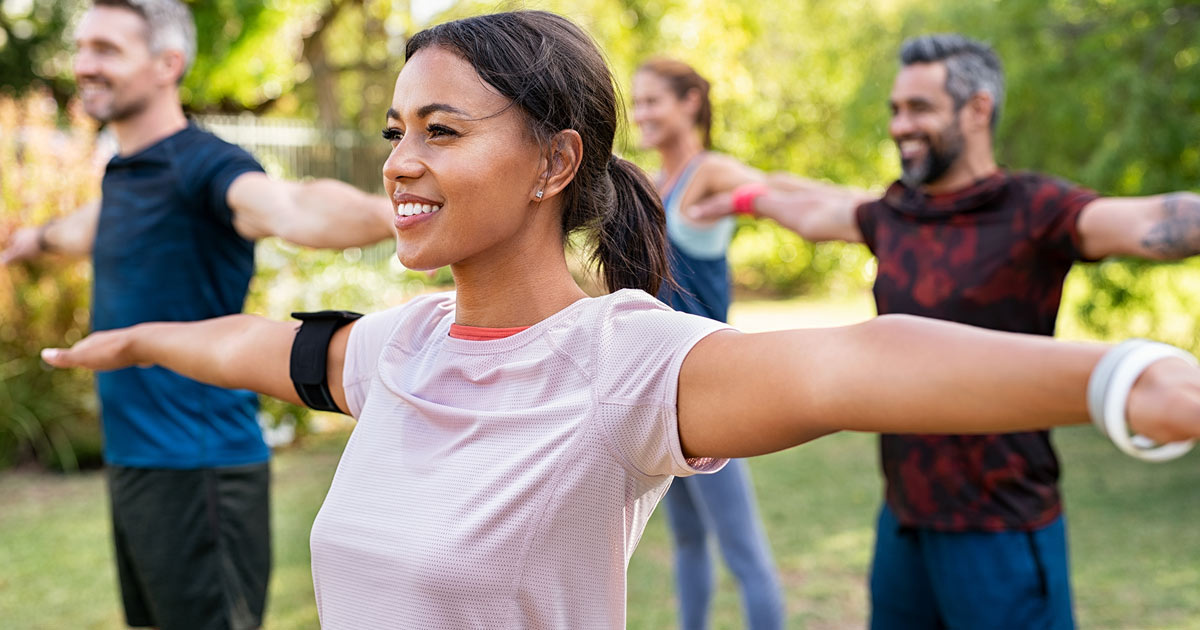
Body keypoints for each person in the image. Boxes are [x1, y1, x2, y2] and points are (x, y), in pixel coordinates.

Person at [39, 13, 1200, 629]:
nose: (400, 161)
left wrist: (1124, 379)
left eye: (441, 131)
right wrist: (137, 341)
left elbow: (860, 360)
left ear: (555, 161)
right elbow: (259, 344)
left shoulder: (622, 363)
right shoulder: (404, 349)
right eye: (396, 130)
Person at [690, 33, 1200, 630]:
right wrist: (744, 198)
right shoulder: (894, 212)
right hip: (904, 523)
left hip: (1001, 528)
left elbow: (1150, 221)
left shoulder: (1035, 209)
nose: (900, 125)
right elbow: (813, 210)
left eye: (920, 109)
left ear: (977, 109)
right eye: (896, 110)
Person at [0, 1, 394, 629]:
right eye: (82, 48)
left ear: (167, 64)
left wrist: (403, 212)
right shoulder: (128, 174)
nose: (83, 65)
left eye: (106, 49)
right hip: (138, 466)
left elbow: (292, 208)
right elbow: (86, 229)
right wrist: (31, 241)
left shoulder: (205, 166)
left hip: (200, 471)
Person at [631, 58, 784, 629]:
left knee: (742, 550)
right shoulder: (651, 185)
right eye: (638, 102)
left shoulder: (711, 172)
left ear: (690, 101)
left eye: (654, 101)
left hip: (711, 387)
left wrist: (743, 202)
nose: (641, 113)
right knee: (689, 542)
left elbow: (775, 190)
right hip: (659, 389)